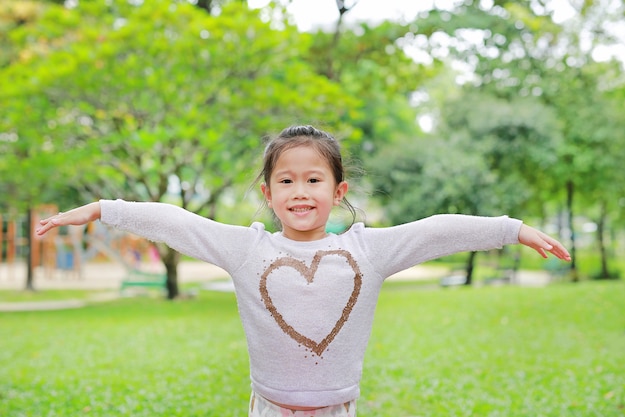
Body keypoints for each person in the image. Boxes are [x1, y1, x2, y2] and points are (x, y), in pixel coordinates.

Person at [36, 125, 571, 417]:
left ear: (338, 192)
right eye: (286, 182)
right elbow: (175, 220)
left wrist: (511, 228)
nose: (300, 192)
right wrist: (106, 209)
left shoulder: (369, 250)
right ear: (269, 195)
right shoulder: (248, 250)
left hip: (338, 409)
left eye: (313, 179)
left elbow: (434, 230)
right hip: (268, 408)